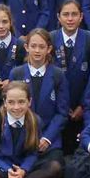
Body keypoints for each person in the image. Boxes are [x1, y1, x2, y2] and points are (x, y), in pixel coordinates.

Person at [8, 29, 69, 166]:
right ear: (26, 47)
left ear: (49, 49)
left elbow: (62, 113)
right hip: (22, 138)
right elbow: (10, 108)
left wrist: (47, 138)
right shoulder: (16, 73)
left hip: (48, 139)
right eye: (33, 46)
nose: (37, 51)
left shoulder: (58, 75)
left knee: (55, 167)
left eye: (42, 47)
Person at [49, 0, 90, 155]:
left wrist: (83, 106)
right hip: (56, 106)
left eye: (74, 14)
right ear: (58, 17)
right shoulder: (51, 38)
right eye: (66, 14)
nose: (70, 19)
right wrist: (62, 106)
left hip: (82, 104)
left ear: (81, 17)